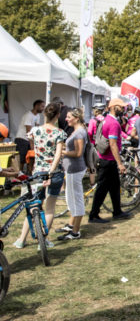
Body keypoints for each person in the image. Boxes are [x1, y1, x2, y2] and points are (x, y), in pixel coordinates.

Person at [14, 103, 66, 249]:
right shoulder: (59, 133)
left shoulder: (35, 131)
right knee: (49, 207)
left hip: (38, 171)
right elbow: (57, 156)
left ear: (44, 114)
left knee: (34, 205)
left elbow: (32, 144)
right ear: (57, 116)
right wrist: (51, 172)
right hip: (54, 173)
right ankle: (43, 241)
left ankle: (21, 239)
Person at [88, 98, 133, 223]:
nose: (124, 109)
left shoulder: (108, 120)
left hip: (107, 159)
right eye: (121, 107)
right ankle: (94, 215)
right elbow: (113, 144)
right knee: (102, 188)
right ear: (114, 107)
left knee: (114, 187)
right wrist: (120, 163)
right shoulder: (113, 123)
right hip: (108, 161)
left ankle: (117, 211)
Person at [56, 108, 88, 240]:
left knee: (76, 200)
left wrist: (62, 152)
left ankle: (75, 231)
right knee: (71, 199)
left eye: (69, 117)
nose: (66, 119)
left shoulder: (79, 132)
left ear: (76, 118)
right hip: (71, 169)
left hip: (75, 169)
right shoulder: (78, 131)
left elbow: (78, 153)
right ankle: (71, 225)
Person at [14, 99, 45, 173]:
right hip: (22, 139)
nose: (43, 108)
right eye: (42, 106)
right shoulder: (28, 115)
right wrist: (32, 143)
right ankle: (19, 174)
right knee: (22, 159)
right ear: (36, 106)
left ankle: (29, 173)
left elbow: (37, 129)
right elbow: (29, 131)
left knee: (31, 157)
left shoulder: (38, 115)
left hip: (30, 139)